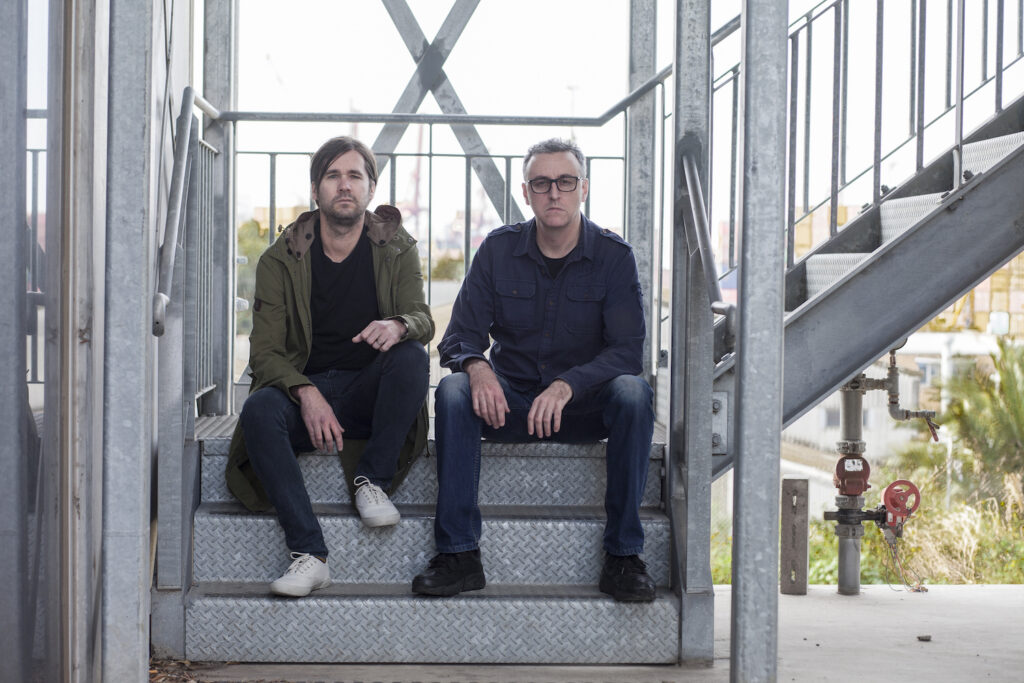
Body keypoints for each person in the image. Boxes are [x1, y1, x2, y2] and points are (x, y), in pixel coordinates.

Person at [411, 138, 656, 602]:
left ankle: (624, 556)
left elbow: (627, 352)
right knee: (454, 391)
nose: (554, 194)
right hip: (512, 404)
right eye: (541, 184)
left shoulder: (613, 257)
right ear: (526, 193)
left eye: (565, 182)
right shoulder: (498, 251)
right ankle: (459, 554)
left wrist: (569, 384)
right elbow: (458, 336)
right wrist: (478, 368)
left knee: (633, 393)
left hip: (583, 409)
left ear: (583, 188)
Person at [225, 136, 434, 597]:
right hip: (307, 399)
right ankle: (309, 554)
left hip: (368, 394)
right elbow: (264, 353)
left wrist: (399, 325)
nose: (344, 185)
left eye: (354, 175)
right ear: (316, 188)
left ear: (371, 188)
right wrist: (305, 392)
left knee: (412, 356)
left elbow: (423, 317)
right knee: (259, 409)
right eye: (333, 176)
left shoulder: (397, 248)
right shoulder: (280, 258)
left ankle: (371, 480)